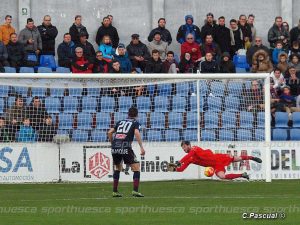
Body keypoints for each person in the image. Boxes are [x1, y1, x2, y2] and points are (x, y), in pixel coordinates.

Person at [167, 141, 262, 180]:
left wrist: (179, 162)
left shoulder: (194, 149)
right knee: (222, 176)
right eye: (182, 148)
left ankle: (252, 158)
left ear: (189, 145)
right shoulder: (189, 159)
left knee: (236, 158)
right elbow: (182, 168)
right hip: (215, 166)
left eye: (184, 147)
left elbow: (189, 155)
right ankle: (243, 175)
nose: (184, 149)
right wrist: (175, 169)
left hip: (218, 158)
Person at [107, 107, 145, 197]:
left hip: (115, 147)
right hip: (126, 146)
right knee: (136, 167)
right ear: (137, 115)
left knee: (117, 168)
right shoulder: (136, 123)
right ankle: (135, 191)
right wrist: (141, 147)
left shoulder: (120, 122)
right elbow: (136, 133)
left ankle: (115, 191)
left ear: (128, 114)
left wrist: (113, 143)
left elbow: (109, 132)